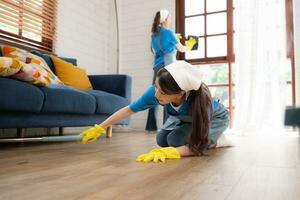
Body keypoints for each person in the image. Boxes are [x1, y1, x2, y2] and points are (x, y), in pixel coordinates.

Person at [81, 61, 229, 163]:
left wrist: (173, 153)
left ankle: (216, 139)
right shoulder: (156, 92)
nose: (157, 95)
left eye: (163, 92)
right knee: (162, 139)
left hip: (212, 119)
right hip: (185, 119)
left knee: (175, 141)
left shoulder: (201, 102)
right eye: (156, 86)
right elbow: (128, 110)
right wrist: (101, 127)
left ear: (180, 94)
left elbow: (197, 146)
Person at [146, 9, 196, 131]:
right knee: (168, 95)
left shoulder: (154, 35)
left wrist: (174, 39)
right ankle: (167, 126)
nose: (170, 21)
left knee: (155, 95)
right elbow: (182, 49)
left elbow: (155, 50)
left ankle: (151, 126)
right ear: (165, 20)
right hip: (168, 68)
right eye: (169, 19)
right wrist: (190, 44)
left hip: (157, 67)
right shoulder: (169, 33)